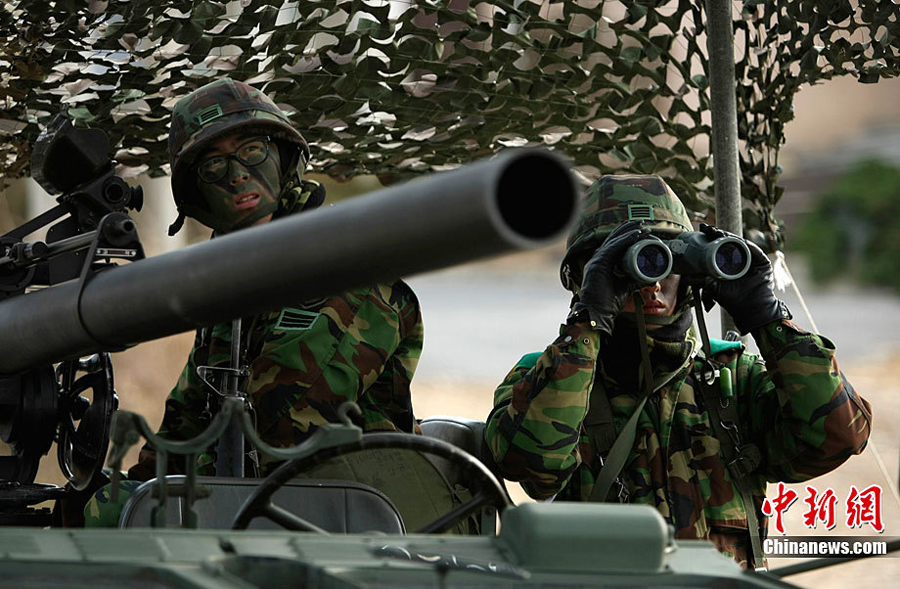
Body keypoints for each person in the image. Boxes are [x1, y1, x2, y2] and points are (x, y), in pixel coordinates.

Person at [74, 78, 428, 526]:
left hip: (356, 518)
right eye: (213, 167)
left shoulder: (344, 277)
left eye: (253, 151)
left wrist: (140, 499)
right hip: (271, 511)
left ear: (284, 157)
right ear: (197, 197)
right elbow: (183, 428)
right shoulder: (237, 289)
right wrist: (128, 490)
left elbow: (279, 436)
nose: (238, 173)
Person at [484, 174, 872, 569]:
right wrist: (587, 322)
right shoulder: (548, 379)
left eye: (665, 260)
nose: (652, 283)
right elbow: (531, 466)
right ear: (586, 277)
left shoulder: (732, 381)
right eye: (631, 263)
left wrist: (769, 319)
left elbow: (838, 436)